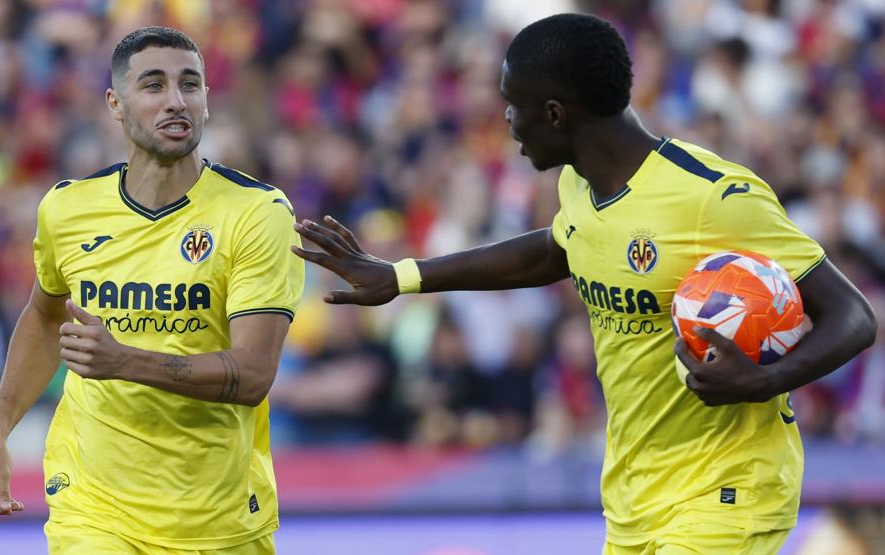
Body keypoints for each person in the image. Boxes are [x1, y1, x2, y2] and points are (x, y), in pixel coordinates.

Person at [291, 13, 876, 555]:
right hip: (634, 494)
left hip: (727, 487)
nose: (505, 120)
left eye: (512, 104)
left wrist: (765, 380)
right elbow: (556, 250)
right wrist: (403, 275)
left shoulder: (713, 197)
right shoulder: (579, 184)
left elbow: (853, 316)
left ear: (554, 114)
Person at [0, 26, 303, 554]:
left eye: (191, 85)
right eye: (154, 85)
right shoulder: (67, 208)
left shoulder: (258, 214)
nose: (176, 100)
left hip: (217, 514)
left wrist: (124, 362)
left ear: (208, 100)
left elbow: (254, 374)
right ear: (115, 103)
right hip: (94, 507)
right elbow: (45, 315)